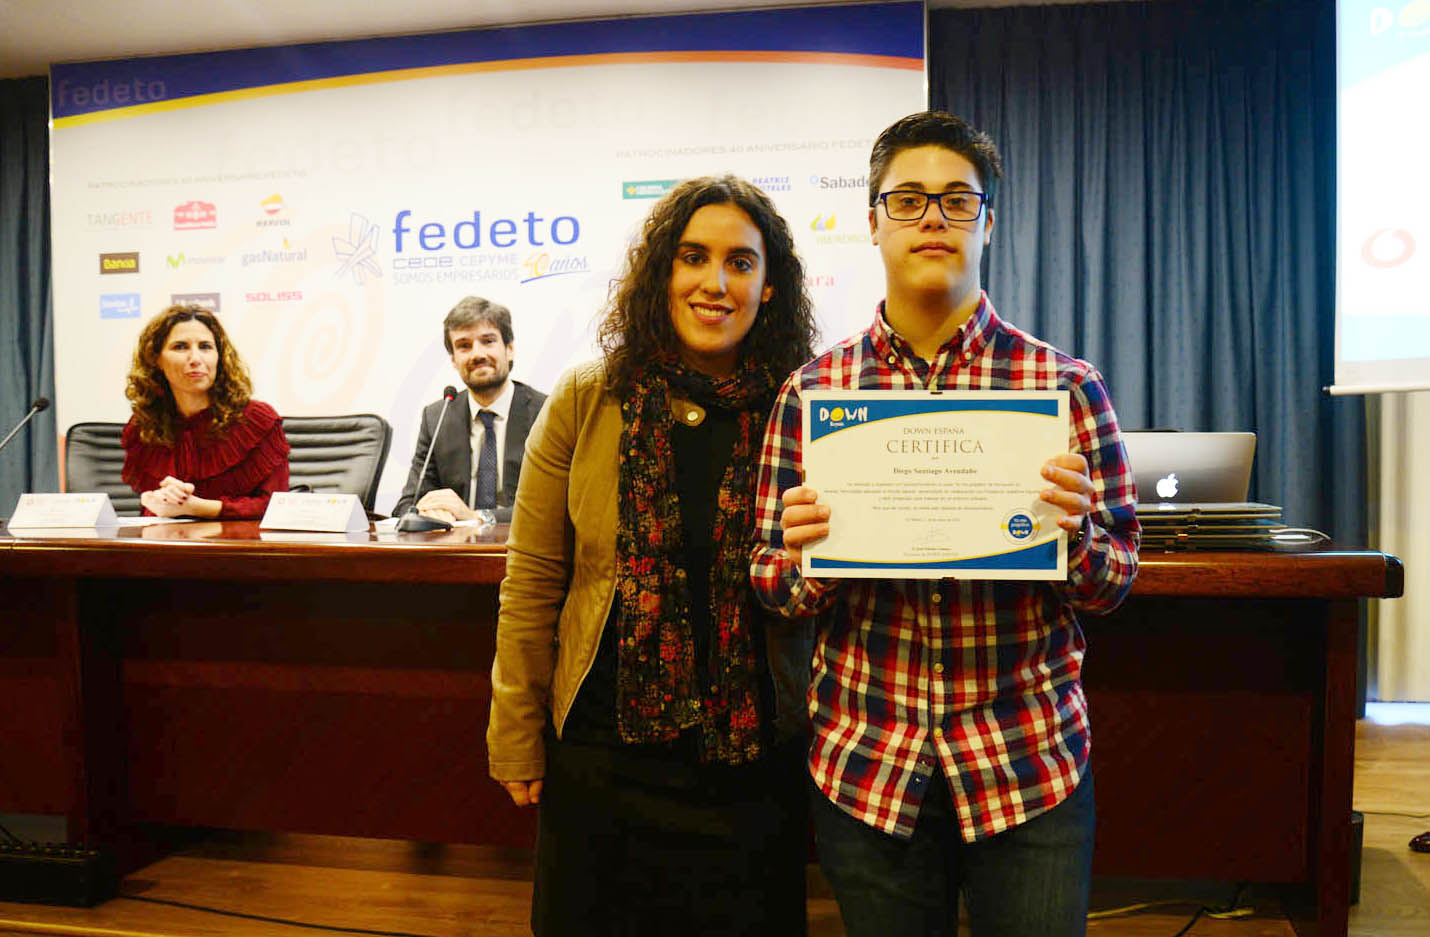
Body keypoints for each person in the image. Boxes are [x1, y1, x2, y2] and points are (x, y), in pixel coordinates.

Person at [751, 111, 1142, 936]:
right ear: (873, 221)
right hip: (868, 764)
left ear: (988, 222)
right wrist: (810, 558)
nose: (933, 218)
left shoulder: (1064, 388)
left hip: (1027, 760)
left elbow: (1115, 581)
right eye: (908, 199)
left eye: (958, 200)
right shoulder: (813, 394)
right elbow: (770, 582)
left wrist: (1072, 536)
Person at [487, 175, 819, 936]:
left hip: (751, 766)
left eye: (740, 262)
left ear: (769, 286)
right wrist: (514, 732)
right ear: (660, 273)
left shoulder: (804, 406)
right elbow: (533, 580)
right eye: (692, 257)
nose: (715, 282)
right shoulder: (587, 395)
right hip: (603, 759)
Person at [121, 304, 289, 520]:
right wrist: (154, 502)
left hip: (240, 540)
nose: (195, 359)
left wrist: (198, 507)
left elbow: (276, 507)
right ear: (156, 359)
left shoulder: (258, 421)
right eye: (180, 347)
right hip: (170, 539)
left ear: (219, 356)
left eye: (205, 347)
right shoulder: (144, 426)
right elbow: (157, 511)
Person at [392, 296, 546, 523]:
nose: (477, 354)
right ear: (454, 360)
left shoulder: (545, 413)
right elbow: (407, 504)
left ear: (509, 349)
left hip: (521, 541)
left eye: (488, 341)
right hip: (455, 543)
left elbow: (550, 506)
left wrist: (477, 517)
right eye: (464, 346)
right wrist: (428, 511)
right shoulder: (438, 417)